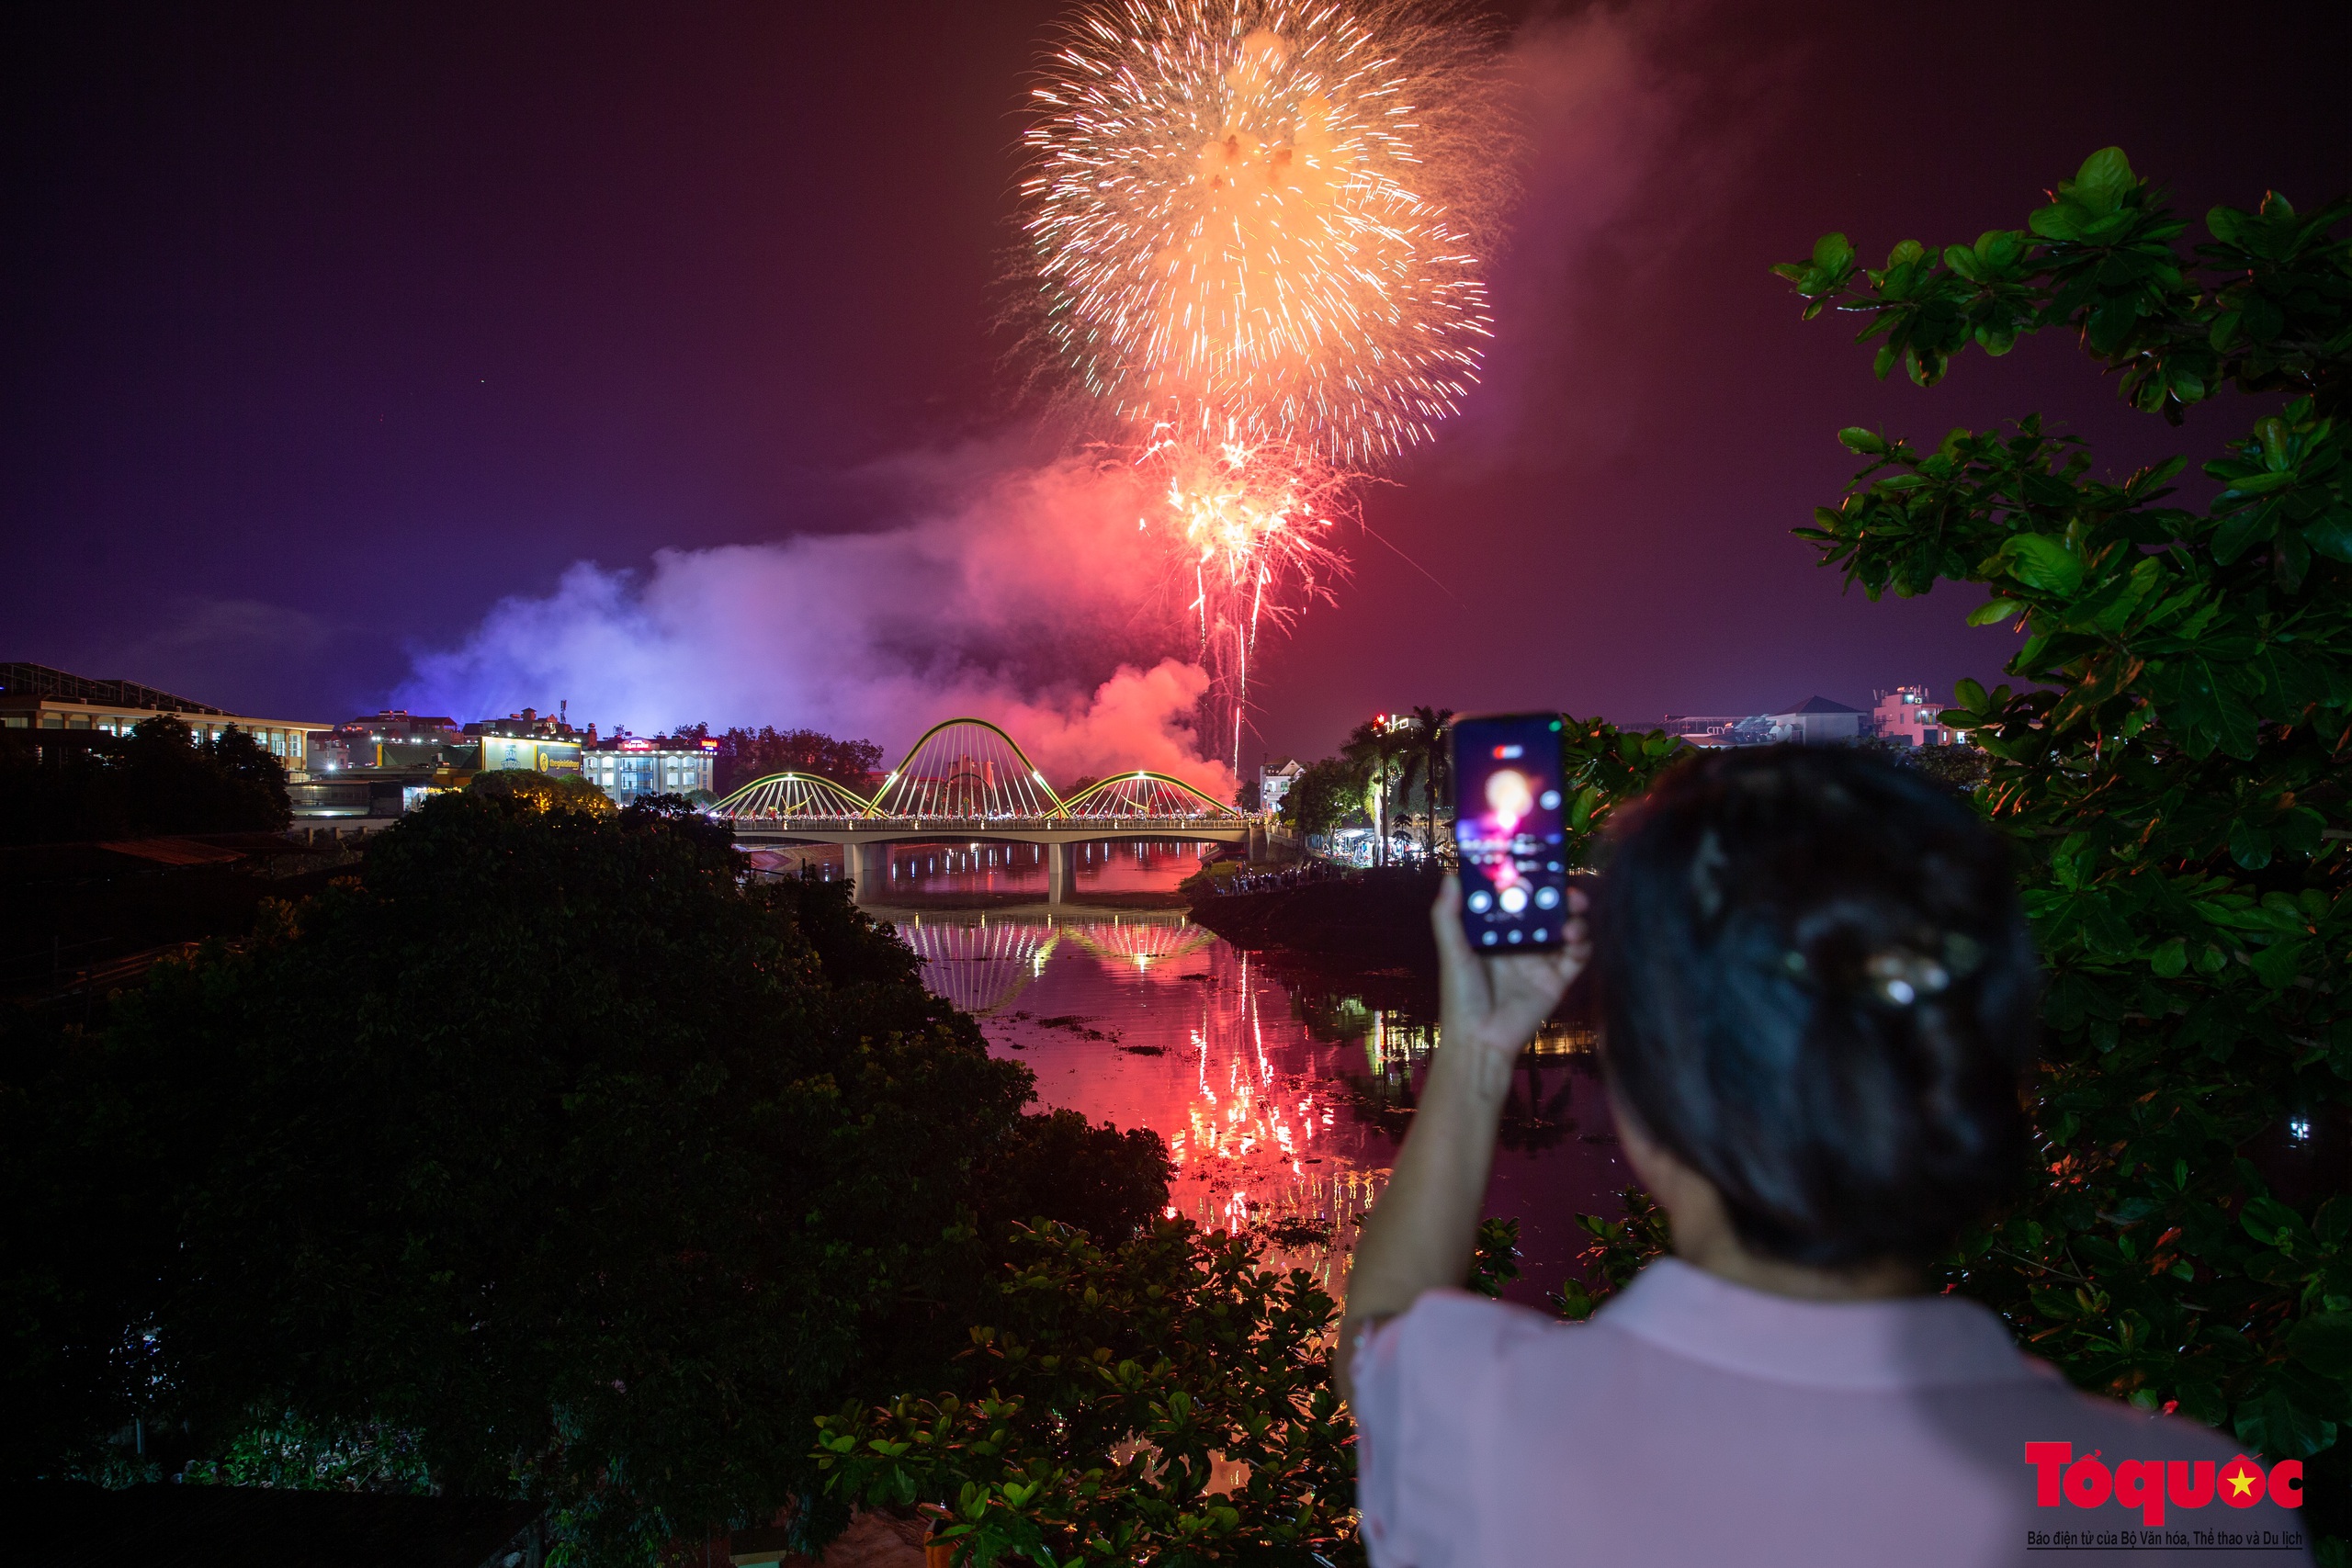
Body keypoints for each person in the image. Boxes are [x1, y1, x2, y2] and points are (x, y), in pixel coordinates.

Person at [1341, 746, 2311, 1566]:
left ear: (1644, 1081)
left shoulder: (1487, 1431)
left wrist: (1476, 1047)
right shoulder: (2199, 1507)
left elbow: (1380, 1333)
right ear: (1979, 1069)